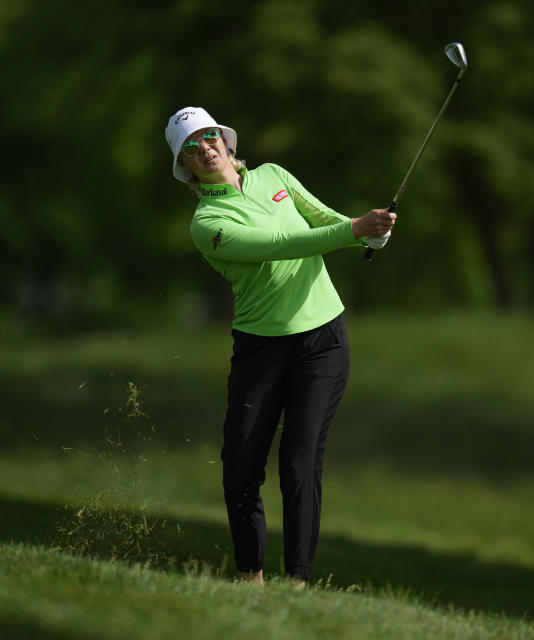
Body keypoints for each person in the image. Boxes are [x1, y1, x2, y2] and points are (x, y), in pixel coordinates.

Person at [164, 107, 395, 587]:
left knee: (300, 459)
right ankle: (251, 579)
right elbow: (281, 244)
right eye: (192, 146)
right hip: (260, 349)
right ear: (185, 165)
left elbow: (321, 218)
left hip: (321, 341)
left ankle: (297, 584)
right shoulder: (207, 222)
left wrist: (369, 233)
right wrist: (354, 231)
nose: (204, 149)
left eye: (208, 137)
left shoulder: (274, 175)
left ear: (224, 141)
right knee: (240, 471)